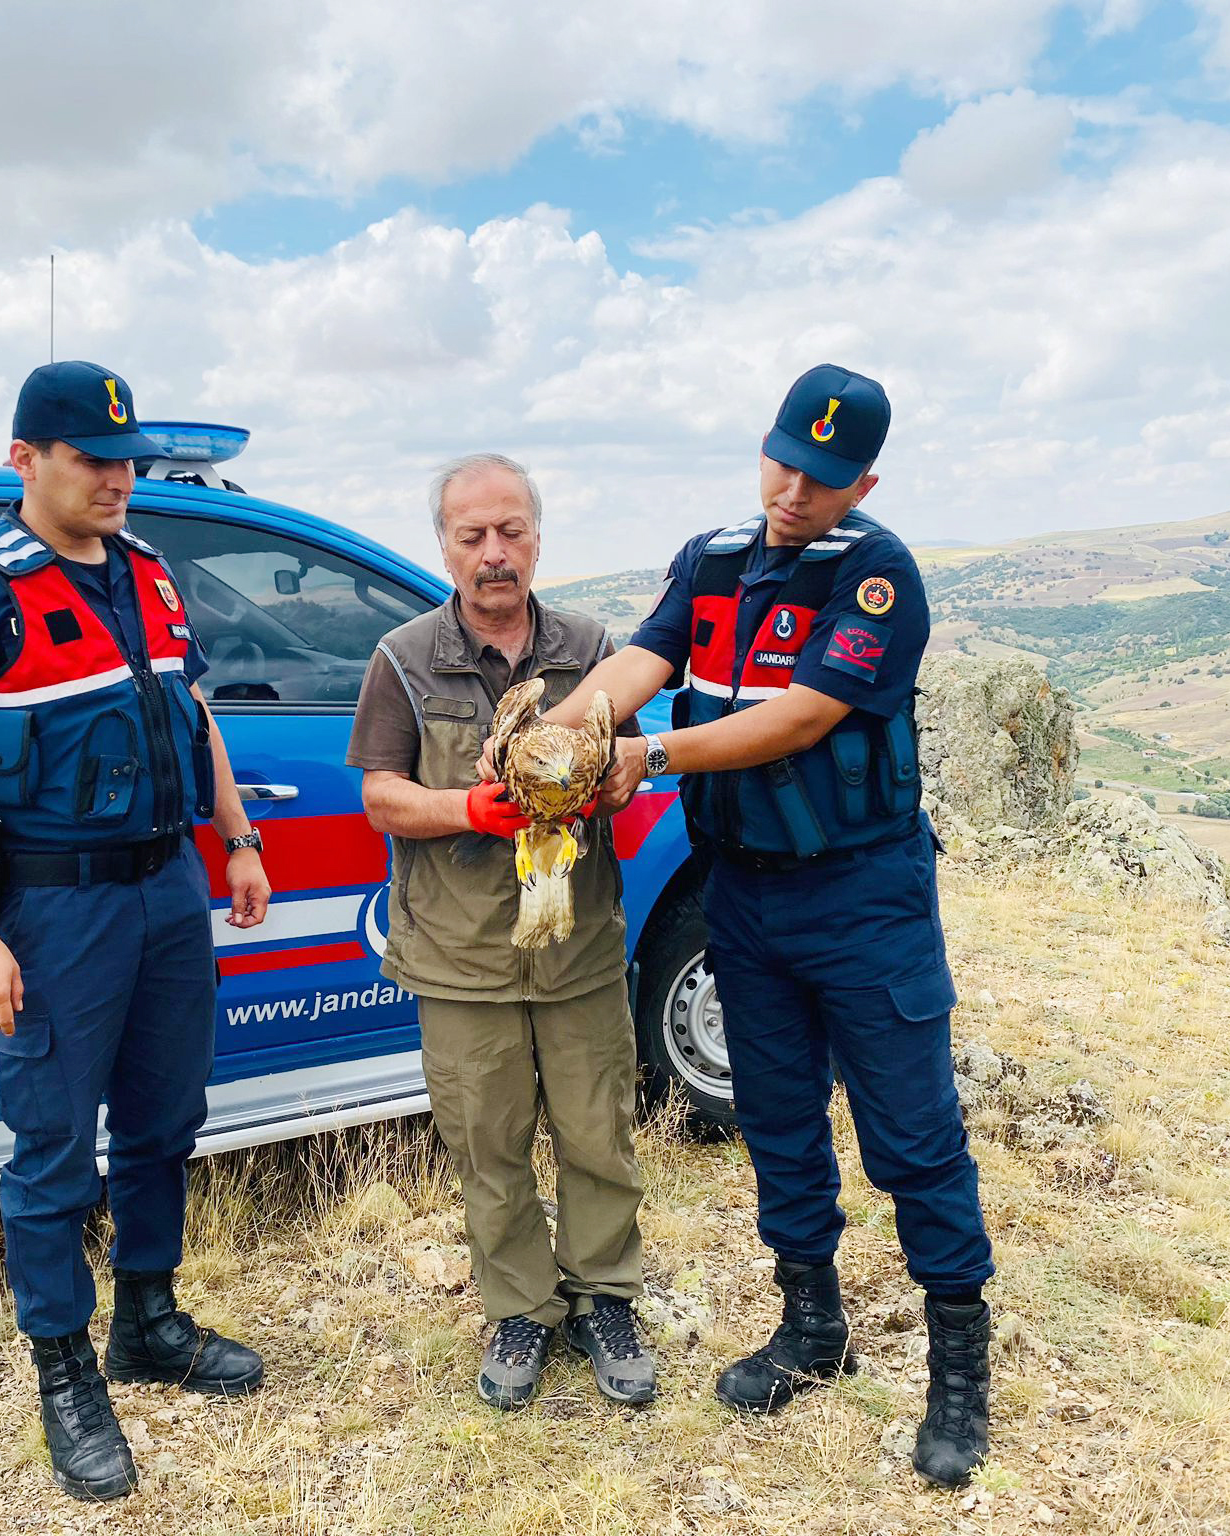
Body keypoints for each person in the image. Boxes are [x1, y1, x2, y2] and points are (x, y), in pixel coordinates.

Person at [528, 366, 995, 1485]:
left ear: (862, 481)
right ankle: (809, 1327)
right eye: (781, 461)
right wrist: (562, 732)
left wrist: (643, 756)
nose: (792, 489)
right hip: (743, 893)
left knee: (909, 1137)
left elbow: (800, 717)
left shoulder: (874, 575)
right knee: (775, 1118)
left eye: (821, 477)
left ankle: (957, 1367)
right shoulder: (715, 560)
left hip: (861, 898)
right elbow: (644, 659)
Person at [0, 361, 273, 1503]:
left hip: (165, 891)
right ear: (26, 460)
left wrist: (237, 837)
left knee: (165, 1121)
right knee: (53, 1153)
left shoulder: (150, 571)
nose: (118, 479)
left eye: (126, 459)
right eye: (93, 460)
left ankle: (147, 1321)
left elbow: (189, 710)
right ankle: (64, 1372)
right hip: (52, 909)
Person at [348, 452, 654, 1411]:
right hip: (461, 952)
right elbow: (380, 797)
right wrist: (469, 811)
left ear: (536, 535)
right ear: (443, 544)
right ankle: (521, 1306)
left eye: (511, 531)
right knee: (489, 1140)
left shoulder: (594, 648)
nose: (494, 553)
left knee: (599, 1128)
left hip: (580, 949)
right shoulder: (401, 658)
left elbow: (628, 764)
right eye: (472, 535)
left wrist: (623, 773)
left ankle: (605, 1293)